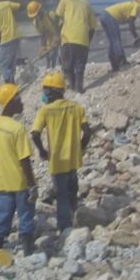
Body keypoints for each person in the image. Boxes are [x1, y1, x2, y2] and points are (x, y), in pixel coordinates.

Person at [31, 72, 91, 232]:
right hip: (73, 158)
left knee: (61, 193)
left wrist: (43, 151)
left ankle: (65, 226)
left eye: (45, 90)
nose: (44, 94)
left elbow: (35, 134)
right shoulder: (76, 107)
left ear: (51, 91)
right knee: (73, 189)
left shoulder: (46, 111)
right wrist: (81, 147)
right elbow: (87, 132)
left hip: (57, 160)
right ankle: (74, 217)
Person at [0, 84, 37, 256]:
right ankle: (28, 251)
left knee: (2, 217)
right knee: (25, 218)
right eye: (18, 98)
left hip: (2, 182)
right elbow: (24, 161)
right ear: (10, 101)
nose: (21, 101)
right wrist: (32, 185)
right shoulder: (17, 128)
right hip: (20, 183)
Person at [55, 0, 98, 92]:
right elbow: (93, 26)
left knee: (67, 66)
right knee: (80, 65)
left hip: (68, 37)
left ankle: (73, 86)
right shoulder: (87, 3)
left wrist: (56, 34)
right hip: (83, 38)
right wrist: (88, 41)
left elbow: (57, 16)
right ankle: (79, 88)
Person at [100, 0, 140, 70]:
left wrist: (135, 37)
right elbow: (131, 24)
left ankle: (114, 65)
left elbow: (130, 23)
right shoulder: (137, 6)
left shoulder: (132, 4)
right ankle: (122, 63)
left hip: (104, 15)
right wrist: (136, 37)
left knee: (112, 41)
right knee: (116, 40)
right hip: (110, 16)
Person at [27, 1, 61, 69]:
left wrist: (57, 38)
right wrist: (43, 47)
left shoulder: (50, 15)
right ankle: (49, 69)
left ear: (40, 10)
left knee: (59, 55)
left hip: (61, 36)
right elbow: (43, 35)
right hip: (49, 39)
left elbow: (60, 26)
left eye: (38, 13)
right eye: (35, 15)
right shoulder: (36, 23)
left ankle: (59, 70)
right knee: (49, 56)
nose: (37, 16)